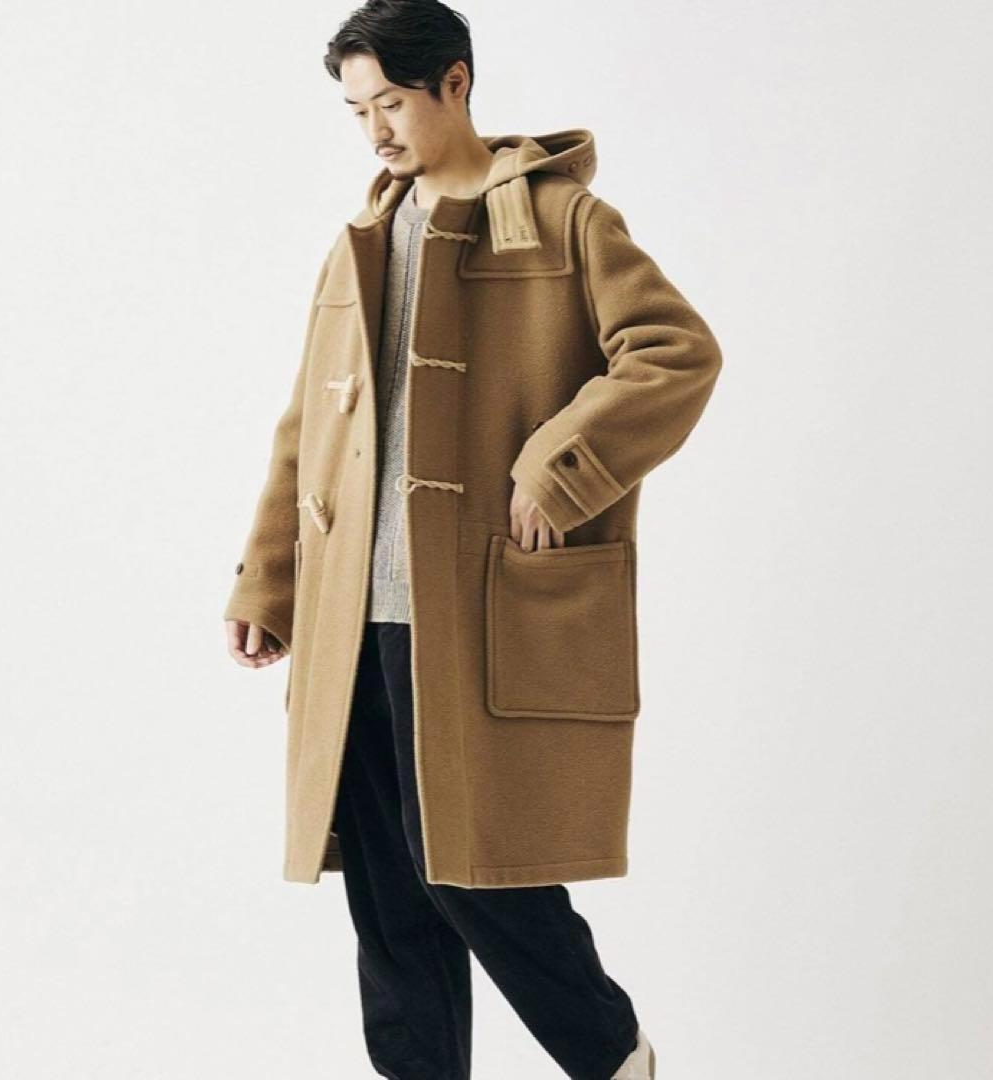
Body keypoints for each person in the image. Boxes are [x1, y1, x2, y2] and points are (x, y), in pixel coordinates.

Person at [224, 2, 722, 1076]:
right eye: (357, 110)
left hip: (474, 607)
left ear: (455, 83)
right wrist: (268, 581)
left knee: (473, 868)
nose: (376, 131)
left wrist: (561, 468)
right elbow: (308, 426)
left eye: (392, 103)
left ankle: (613, 1056)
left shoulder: (561, 219)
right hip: (353, 612)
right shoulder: (361, 240)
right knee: (388, 892)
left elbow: (676, 353)